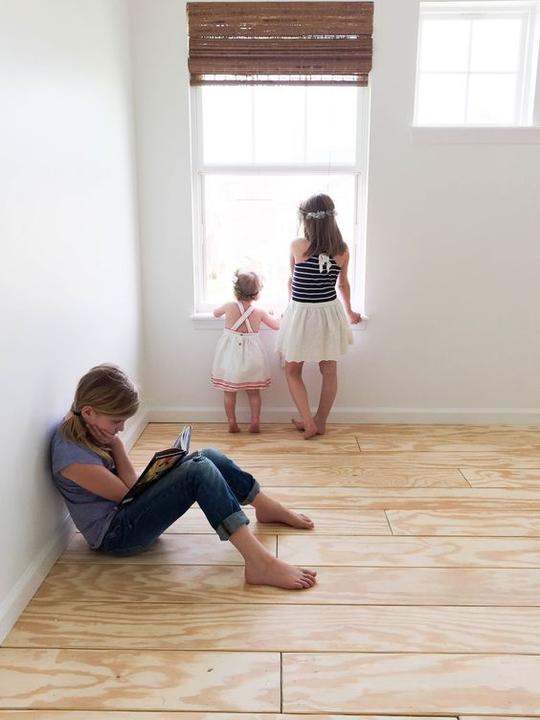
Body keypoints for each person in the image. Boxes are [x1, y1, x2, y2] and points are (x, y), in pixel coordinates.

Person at [50, 364, 317, 590]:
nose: (121, 428)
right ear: (88, 412)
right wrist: (117, 446)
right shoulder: (73, 459)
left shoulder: (86, 428)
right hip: (117, 535)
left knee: (207, 455)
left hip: (127, 514)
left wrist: (162, 468)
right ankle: (260, 563)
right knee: (198, 470)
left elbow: (131, 490)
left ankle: (265, 505)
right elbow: (128, 493)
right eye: (116, 421)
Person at [276, 193, 362, 439]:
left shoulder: (297, 246)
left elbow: (292, 280)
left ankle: (308, 421)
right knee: (329, 370)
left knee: (292, 370)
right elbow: (342, 284)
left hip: (302, 313)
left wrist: (287, 305)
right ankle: (320, 421)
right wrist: (350, 311)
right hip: (328, 313)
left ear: (306, 220)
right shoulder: (342, 250)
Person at [211, 271, 279, 433]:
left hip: (230, 355)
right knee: (254, 392)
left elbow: (215, 313)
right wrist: (275, 314)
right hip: (252, 356)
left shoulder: (229, 306)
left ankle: (231, 422)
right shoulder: (259, 312)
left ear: (236, 289)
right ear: (257, 293)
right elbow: (276, 325)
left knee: (229, 392)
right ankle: (255, 422)